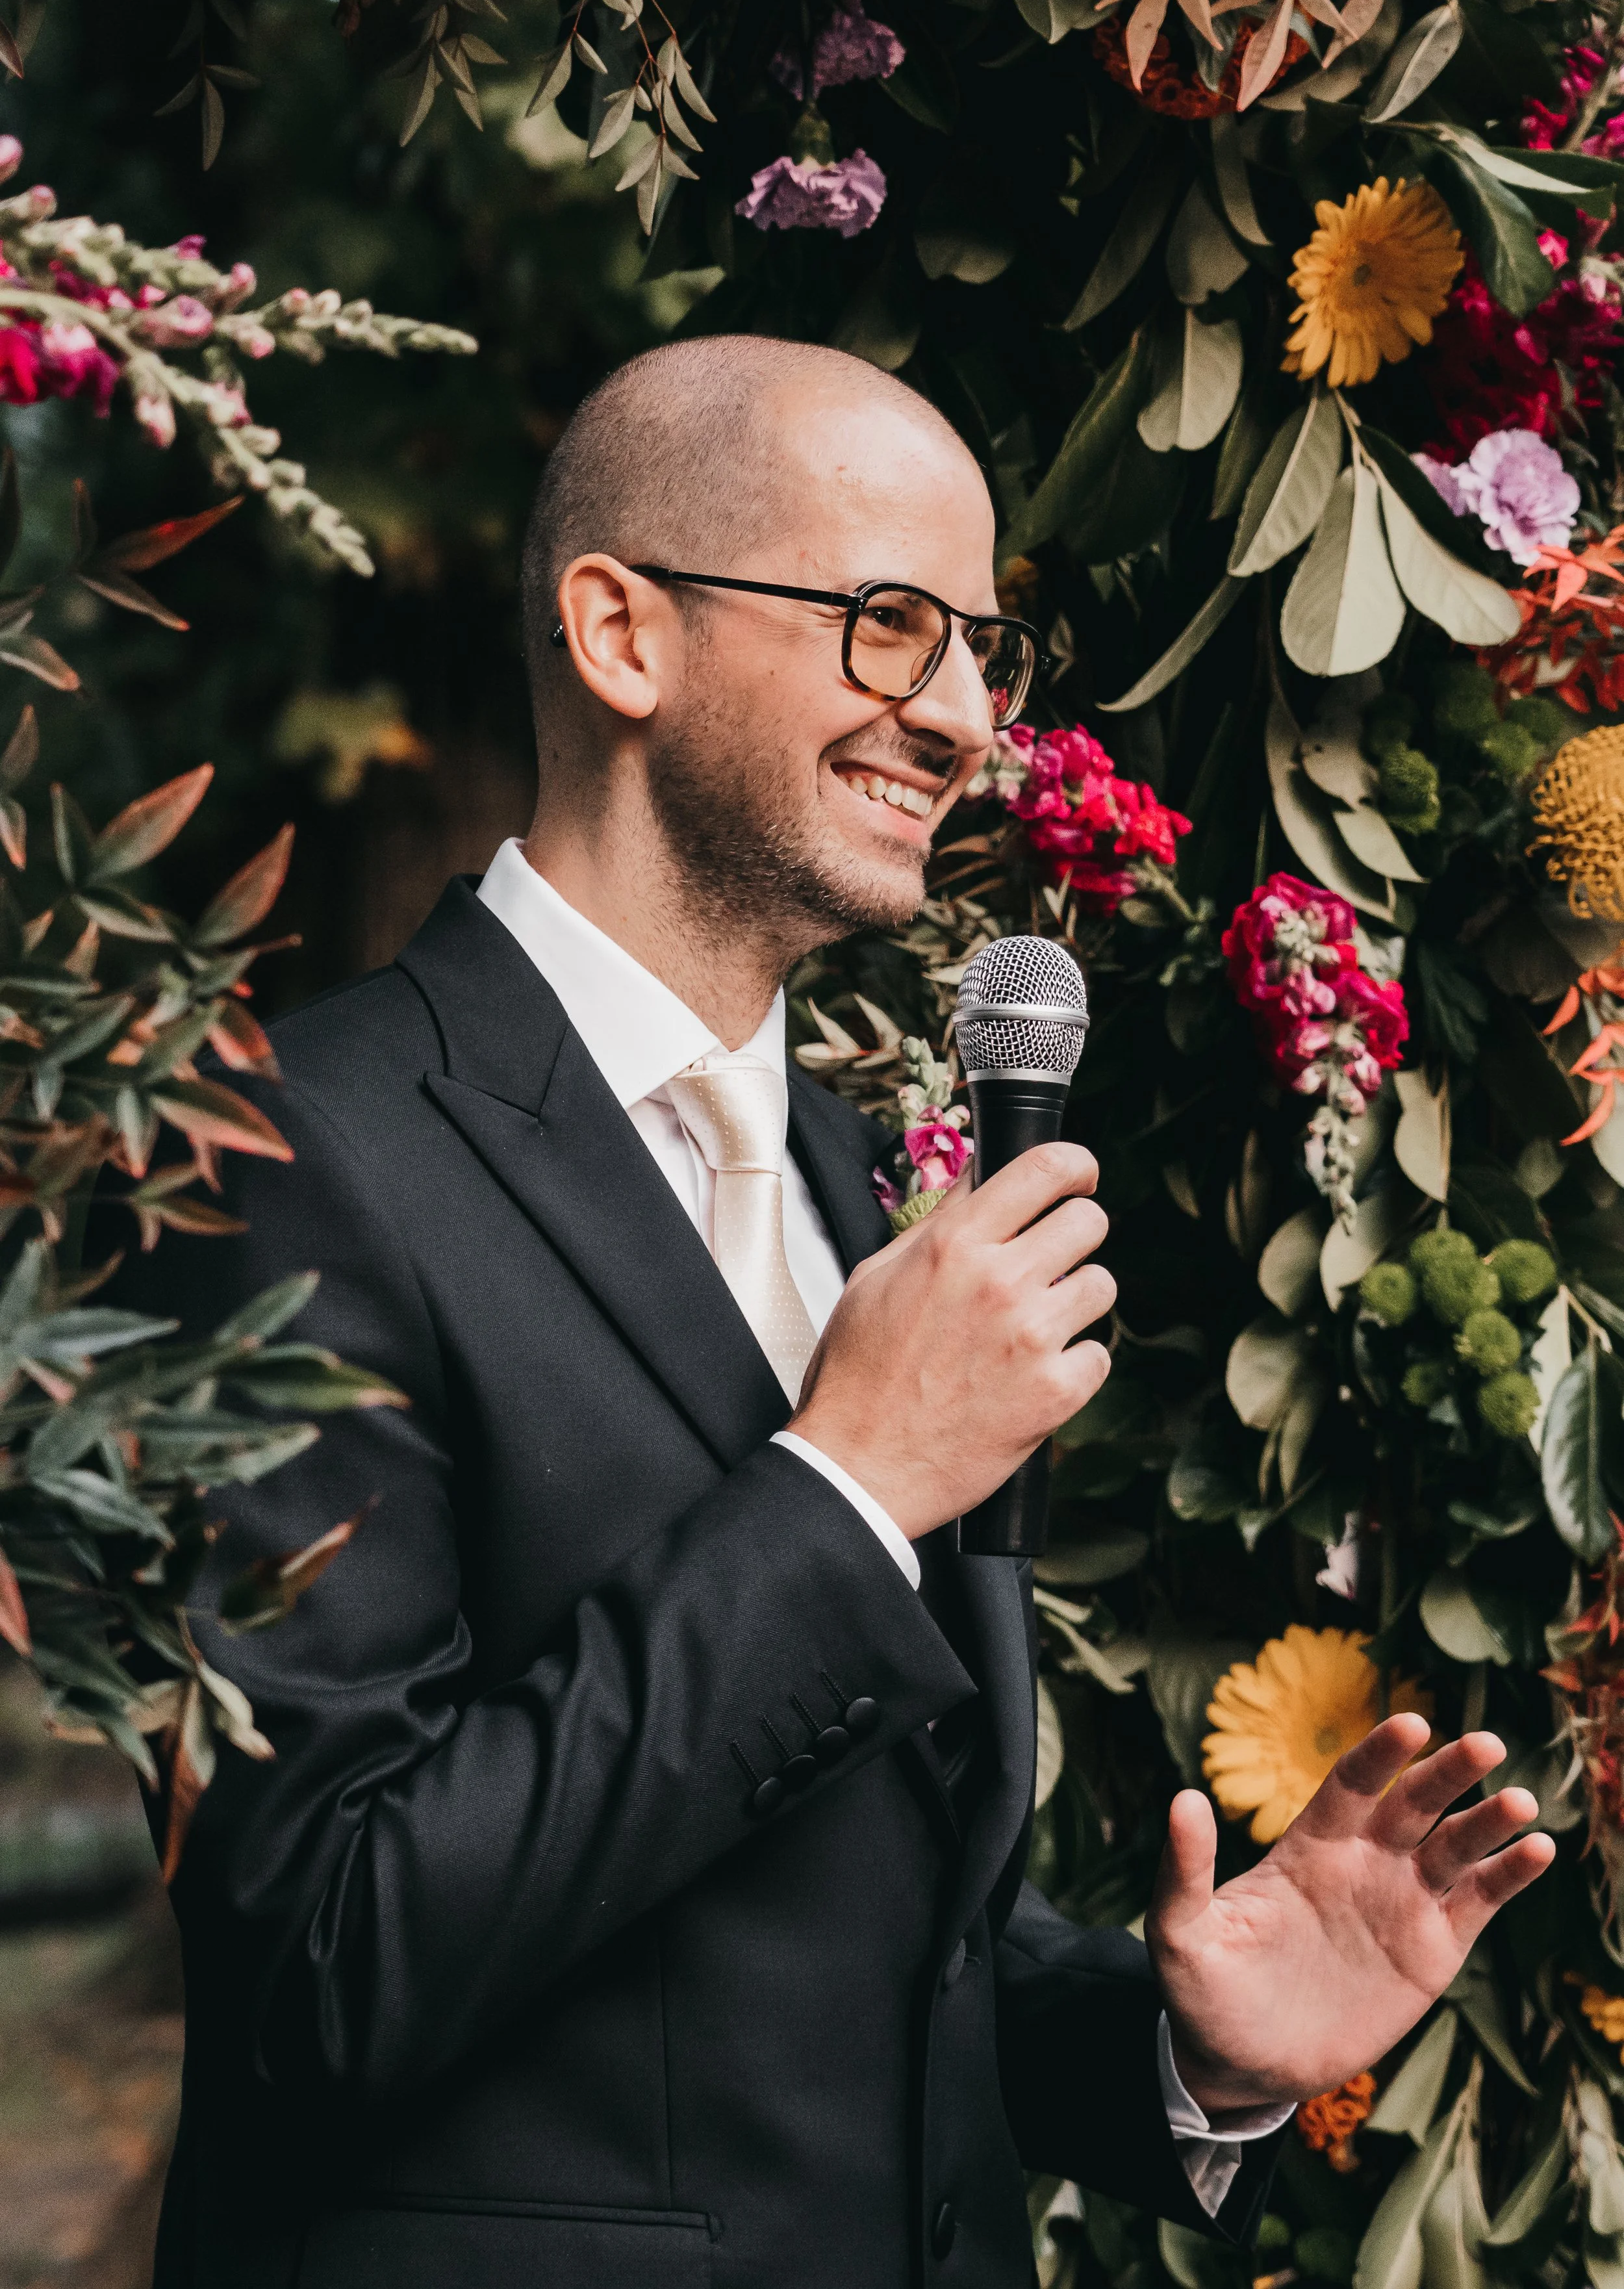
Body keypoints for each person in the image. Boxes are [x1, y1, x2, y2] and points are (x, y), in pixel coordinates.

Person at [124, 337, 1553, 2289]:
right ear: (622, 633)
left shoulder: (833, 1161)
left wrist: (1180, 2046)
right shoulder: (291, 1149)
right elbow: (321, 1957)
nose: (964, 714)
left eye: (982, 644)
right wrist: (848, 1481)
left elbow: (832, 1915)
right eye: (891, 625)